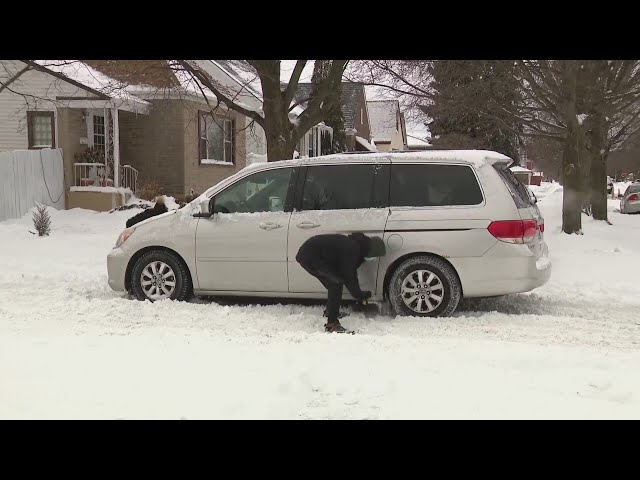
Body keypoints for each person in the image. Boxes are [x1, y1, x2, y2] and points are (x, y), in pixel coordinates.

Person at [296, 233, 386, 333]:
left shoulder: (356, 247)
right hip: (310, 255)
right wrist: (359, 294)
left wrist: (358, 294)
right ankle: (332, 324)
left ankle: (331, 311)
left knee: (334, 282)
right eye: (374, 256)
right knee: (335, 284)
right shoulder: (352, 248)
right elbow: (349, 275)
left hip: (313, 255)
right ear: (371, 251)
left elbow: (347, 272)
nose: (373, 259)